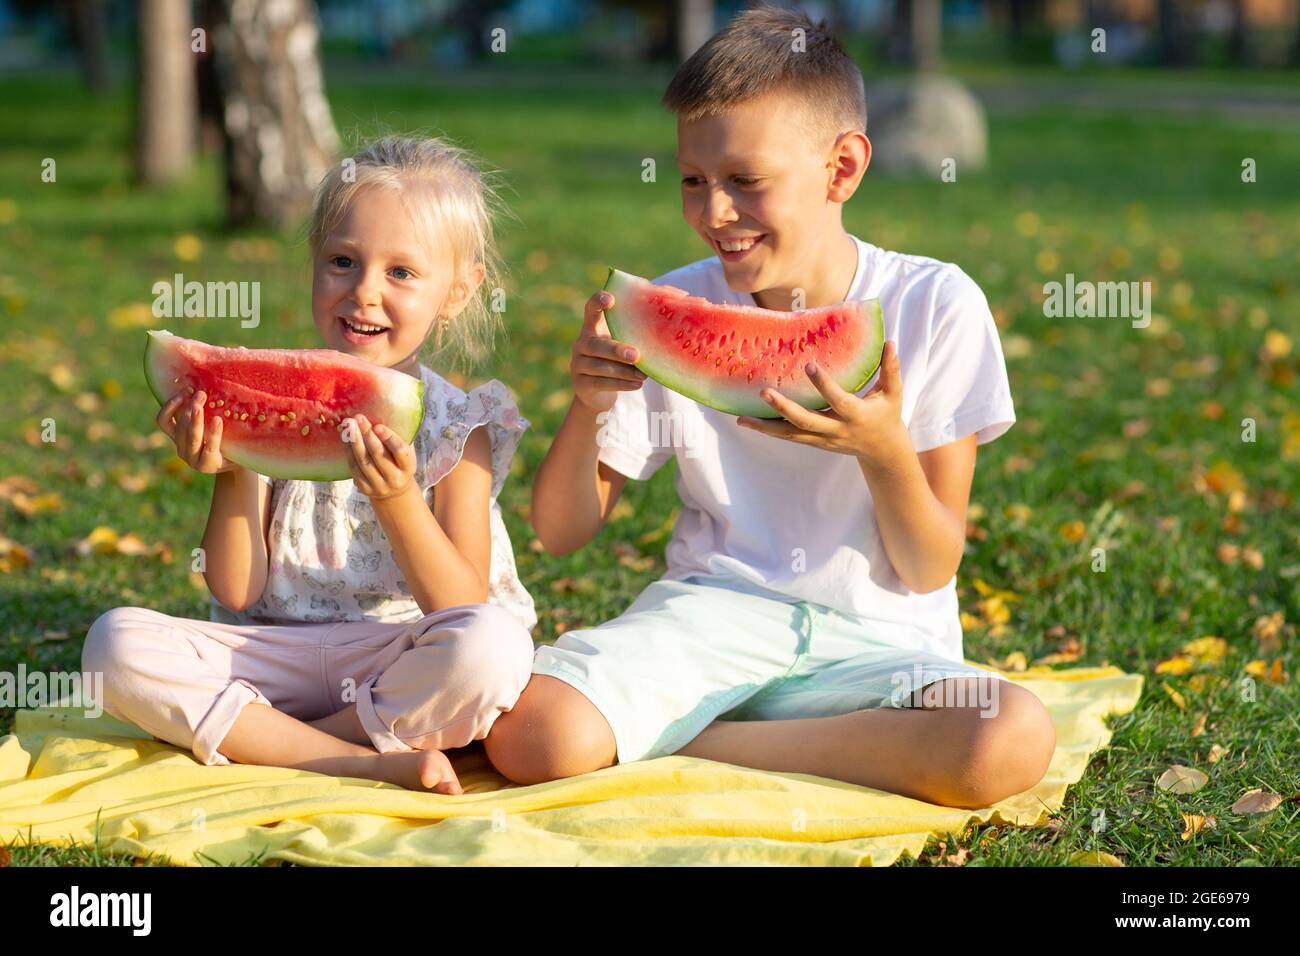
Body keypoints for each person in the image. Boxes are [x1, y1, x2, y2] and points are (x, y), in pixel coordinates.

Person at [485, 6, 1056, 809]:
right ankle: (771, 739)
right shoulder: (671, 305)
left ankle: (701, 741)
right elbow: (561, 530)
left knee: (1009, 736)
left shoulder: (934, 304)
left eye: (745, 182)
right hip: (712, 619)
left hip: (882, 645)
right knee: (533, 736)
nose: (714, 213)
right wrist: (586, 408)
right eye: (693, 180)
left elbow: (931, 563)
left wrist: (884, 449)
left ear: (842, 169)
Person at [83, 135, 537, 794]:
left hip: (397, 656)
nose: (364, 294)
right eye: (343, 262)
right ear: (313, 265)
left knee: (493, 649)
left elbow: (461, 605)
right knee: (111, 648)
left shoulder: (459, 426)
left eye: (402, 273)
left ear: (459, 291)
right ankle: (350, 758)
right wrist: (235, 462)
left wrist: (398, 498)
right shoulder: (268, 401)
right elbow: (235, 590)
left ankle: (284, 743)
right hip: (272, 655)